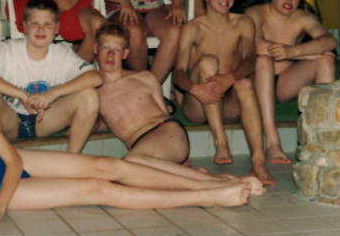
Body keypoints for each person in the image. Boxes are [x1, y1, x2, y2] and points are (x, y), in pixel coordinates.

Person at [0, 54, 260, 230]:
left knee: (110, 166)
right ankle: (207, 197)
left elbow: (12, 159)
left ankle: (217, 182)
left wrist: (0, 211)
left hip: (8, 164)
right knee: (99, 189)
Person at [94, 23, 263, 195]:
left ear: (125, 54)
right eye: (105, 47)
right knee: (126, 175)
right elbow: (106, 120)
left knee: (130, 163)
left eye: (116, 49)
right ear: (95, 49)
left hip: (166, 132)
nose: (110, 54)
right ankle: (207, 178)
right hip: (144, 149)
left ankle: (217, 182)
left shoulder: (145, 78)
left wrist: (182, 158)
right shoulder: (93, 92)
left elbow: (164, 114)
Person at [173, 0, 274, 185]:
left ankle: (258, 161)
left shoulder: (243, 23)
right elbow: (178, 73)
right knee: (208, 62)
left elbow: (250, 60)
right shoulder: (193, 28)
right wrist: (194, 88)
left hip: (228, 103)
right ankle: (221, 141)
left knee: (245, 84)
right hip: (198, 104)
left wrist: (231, 78)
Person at [0, 0, 101, 154]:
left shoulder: (62, 54)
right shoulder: (8, 49)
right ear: (24, 27)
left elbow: (95, 77)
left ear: (57, 28)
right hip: (10, 119)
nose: (41, 30)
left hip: (45, 120)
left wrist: (53, 93)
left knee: (90, 95)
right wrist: (22, 95)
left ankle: (71, 159)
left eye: (47, 24)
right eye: (34, 24)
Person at [245, 0, 338, 165]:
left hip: (285, 83)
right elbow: (256, 45)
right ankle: (272, 142)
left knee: (326, 61)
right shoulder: (255, 13)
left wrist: (294, 51)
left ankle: (321, 136)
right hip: (254, 80)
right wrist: (303, 53)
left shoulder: (302, 18)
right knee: (264, 59)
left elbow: (329, 42)